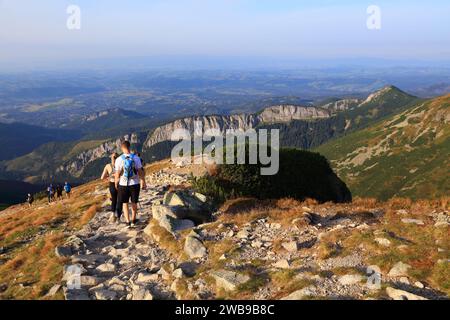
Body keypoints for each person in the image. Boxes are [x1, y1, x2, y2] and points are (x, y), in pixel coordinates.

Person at [115, 141, 146, 228]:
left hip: (123, 184)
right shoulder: (136, 158)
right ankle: (133, 220)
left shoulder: (119, 159)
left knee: (125, 203)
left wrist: (116, 183)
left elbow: (117, 174)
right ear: (129, 147)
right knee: (134, 202)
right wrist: (143, 181)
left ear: (122, 148)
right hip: (135, 183)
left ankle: (127, 221)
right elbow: (140, 171)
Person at [101, 153, 119, 223]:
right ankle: (119, 215)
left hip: (112, 183)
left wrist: (108, 177)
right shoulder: (120, 164)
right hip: (120, 183)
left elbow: (102, 177)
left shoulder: (108, 166)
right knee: (120, 199)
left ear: (111, 158)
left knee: (114, 199)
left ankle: (113, 214)